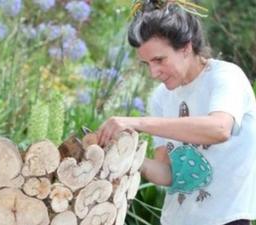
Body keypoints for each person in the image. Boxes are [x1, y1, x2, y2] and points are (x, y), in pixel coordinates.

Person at [97, 1, 256, 225]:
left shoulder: (226, 77)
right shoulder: (161, 97)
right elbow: (169, 173)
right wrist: (127, 156)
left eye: (159, 60)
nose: (153, 72)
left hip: (225, 220)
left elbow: (219, 128)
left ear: (186, 48)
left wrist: (140, 123)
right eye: (146, 64)